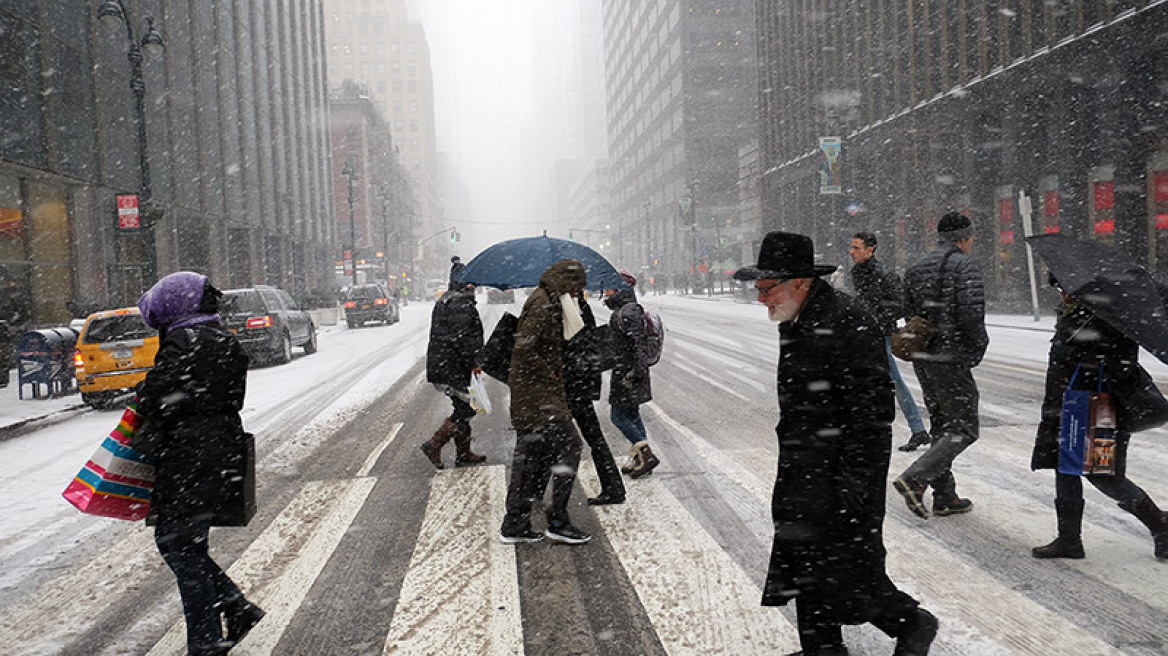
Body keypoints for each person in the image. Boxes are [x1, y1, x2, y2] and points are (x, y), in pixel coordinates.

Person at [734, 232, 937, 656]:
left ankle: (913, 623)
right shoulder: (796, 316)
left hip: (840, 469)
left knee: (847, 573)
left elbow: (872, 412)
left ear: (800, 281)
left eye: (766, 289)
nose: (760, 299)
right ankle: (822, 649)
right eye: (758, 289)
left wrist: (855, 480)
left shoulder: (846, 320)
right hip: (807, 462)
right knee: (807, 560)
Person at [133, 272, 264, 656]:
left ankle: (206, 641)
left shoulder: (184, 340)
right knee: (185, 544)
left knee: (179, 545)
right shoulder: (223, 338)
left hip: (189, 456)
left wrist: (146, 389)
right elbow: (221, 394)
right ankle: (235, 608)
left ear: (178, 304)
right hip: (220, 449)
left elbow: (158, 397)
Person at [1031, 275, 1168, 560]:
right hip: (1069, 407)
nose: (1061, 294)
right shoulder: (1078, 314)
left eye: (1063, 288)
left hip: (1098, 409)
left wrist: (1083, 358)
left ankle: (1160, 523)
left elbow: (1118, 367)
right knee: (1064, 466)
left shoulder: (1107, 317)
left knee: (1103, 475)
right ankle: (1069, 539)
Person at [892, 211, 989, 520]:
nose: (972, 241)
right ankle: (915, 479)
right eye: (971, 236)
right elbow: (972, 315)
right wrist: (976, 349)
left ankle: (945, 496)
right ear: (963, 238)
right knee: (965, 428)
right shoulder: (965, 266)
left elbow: (907, 310)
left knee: (943, 425)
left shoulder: (917, 267)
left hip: (924, 357)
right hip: (951, 357)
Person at [500, 259, 591, 545]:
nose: (578, 294)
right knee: (570, 445)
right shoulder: (542, 304)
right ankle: (557, 520)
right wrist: (548, 371)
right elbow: (524, 346)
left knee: (529, 459)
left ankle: (515, 522)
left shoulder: (551, 299)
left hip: (535, 395)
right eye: (577, 287)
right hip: (537, 396)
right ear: (566, 281)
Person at [849, 231, 931, 452]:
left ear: (870, 250)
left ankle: (917, 429)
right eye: (852, 247)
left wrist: (875, 317)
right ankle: (913, 430)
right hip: (863, 334)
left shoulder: (885, 275)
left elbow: (899, 305)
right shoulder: (858, 272)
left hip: (879, 335)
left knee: (892, 382)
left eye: (856, 248)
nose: (852, 252)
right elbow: (862, 301)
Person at [420, 265, 486, 469]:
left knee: (463, 406)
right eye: (471, 282)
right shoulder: (459, 303)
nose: (474, 285)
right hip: (452, 367)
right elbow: (463, 339)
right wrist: (474, 363)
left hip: (447, 364)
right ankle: (434, 444)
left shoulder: (451, 298)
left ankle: (463, 453)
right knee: (466, 408)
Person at [564, 292, 626, 505]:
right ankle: (614, 487)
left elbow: (574, 344)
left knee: (553, 440)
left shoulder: (570, 308)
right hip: (579, 383)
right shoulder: (578, 306)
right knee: (594, 438)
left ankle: (536, 492)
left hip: (572, 383)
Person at [604, 269, 659, 478]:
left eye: (610, 287)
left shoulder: (628, 311)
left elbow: (637, 343)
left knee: (618, 416)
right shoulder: (625, 310)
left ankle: (646, 454)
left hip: (628, 372)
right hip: (628, 369)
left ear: (621, 288)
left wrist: (637, 370)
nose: (607, 292)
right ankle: (641, 459)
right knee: (632, 415)